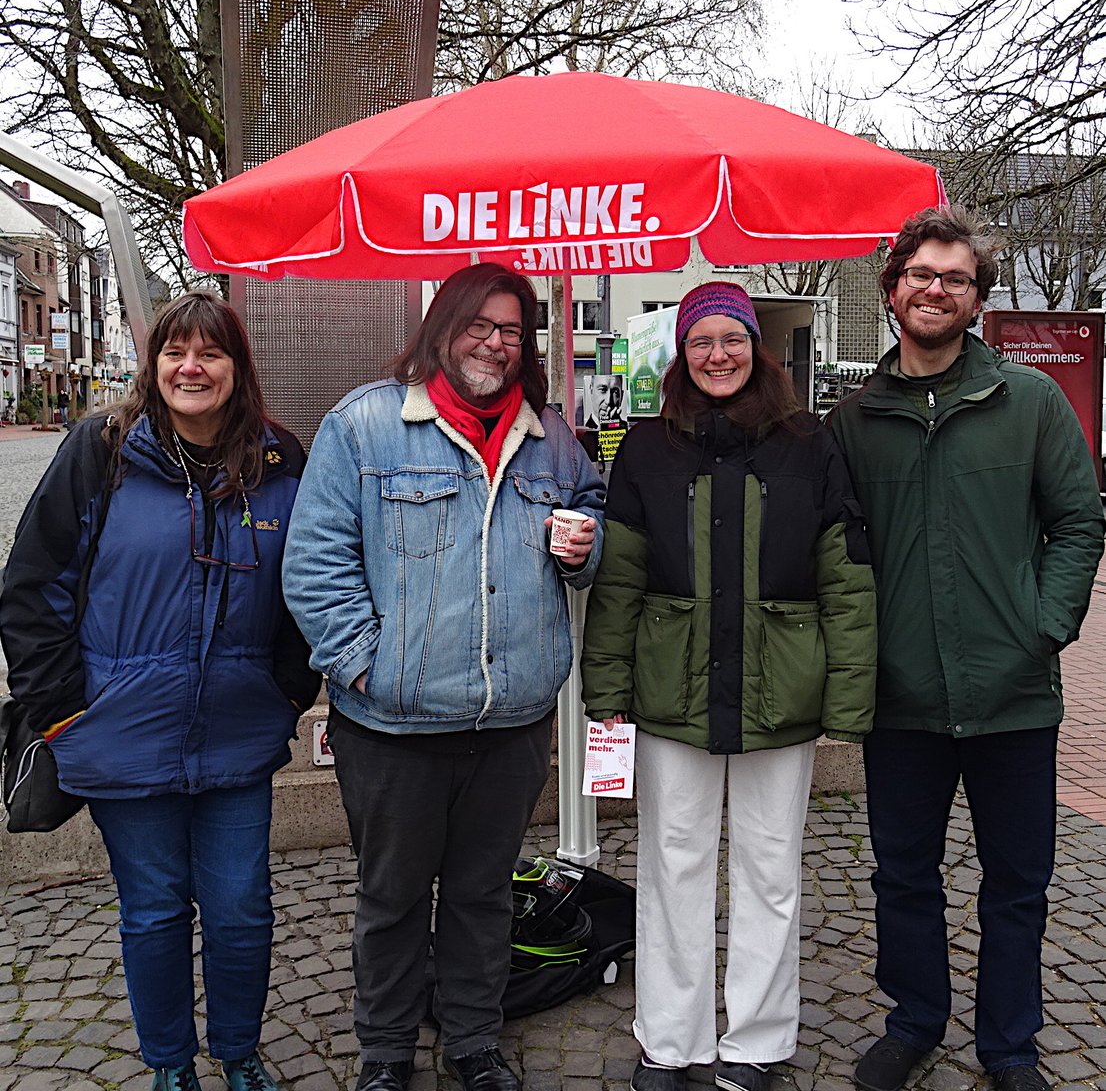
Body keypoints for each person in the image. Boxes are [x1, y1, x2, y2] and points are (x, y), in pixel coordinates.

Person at [281, 262, 604, 1091]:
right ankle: (386, 1051)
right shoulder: (366, 425)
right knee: (390, 899)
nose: (495, 344)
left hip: (513, 723)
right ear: (441, 328)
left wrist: (585, 544)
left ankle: (472, 1040)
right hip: (394, 728)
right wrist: (368, 668)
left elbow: (593, 513)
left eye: (511, 330)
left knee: (482, 894)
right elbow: (314, 567)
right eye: (478, 326)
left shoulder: (551, 437)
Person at [0, 292, 319, 1091]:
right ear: (154, 365)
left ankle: (238, 1053)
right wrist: (63, 713)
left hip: (240, 732)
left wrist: (285, 693)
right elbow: (33, 588)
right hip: (118, 732)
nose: (191, 367)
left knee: (242, 910)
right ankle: (171, 1065)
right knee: (153, 912)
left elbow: (311, 590)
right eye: (176, 351)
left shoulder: (279, 462)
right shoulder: (99, 453)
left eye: (211, 353)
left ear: (237, 368)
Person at [828, 206, 1106, 1091]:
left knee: (1016, 883)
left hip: (1012, 691)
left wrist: (1046, 625)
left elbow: (1078, 523)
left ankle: (1010, 1046)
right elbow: (833, 548)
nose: (934, 289)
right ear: (892, 287)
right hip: (900, 692)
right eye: (920, 274)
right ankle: (914, 1022)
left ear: (977, 299)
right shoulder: (855, 418)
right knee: (903, 876)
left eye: (954, 278)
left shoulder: (1027, 403)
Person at [580, 281, 877, 1091]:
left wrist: (849, 699)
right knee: (672, 867)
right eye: (703, 340)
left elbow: (845, 577)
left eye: (733, 338)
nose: (719, 354)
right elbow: (620, 585)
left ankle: (756, 1041)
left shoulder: (808, 443)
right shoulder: (645, 447)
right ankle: (671, 1041)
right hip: (671, 692)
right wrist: (605, 691)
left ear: (758, 347)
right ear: (683, 352)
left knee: (771, 870)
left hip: (779, 691)